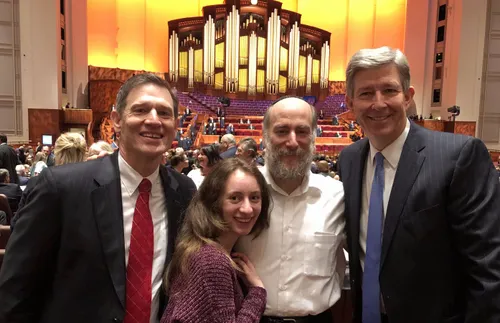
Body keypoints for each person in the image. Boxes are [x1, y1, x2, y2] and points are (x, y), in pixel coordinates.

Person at [0, 73, 197, 322]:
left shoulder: (184, 191)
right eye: (141, 110)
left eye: (165, 113)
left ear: (175, 124)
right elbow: (16, 290)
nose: (154, 120)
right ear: (116, 120)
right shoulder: (60, 188)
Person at [337, 46, 500, 323]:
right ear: (350, 103)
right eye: (366, 93)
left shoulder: (459, 156)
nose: (378, 103)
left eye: (389, 90)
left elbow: (488, 267)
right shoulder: (349, 159)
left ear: (408, 97)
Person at [236, 96, 345, 322]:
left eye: (302, 131)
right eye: (282, 131)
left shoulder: (338, 196)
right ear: (265, 138)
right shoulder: (237, 194)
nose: (292, 142)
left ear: (314, 137)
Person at [161, 158, 270, 322]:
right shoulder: (212, 261)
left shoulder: (204, 249)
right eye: (235, 198)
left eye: (254, 198)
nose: (247, 209)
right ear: (214, 202)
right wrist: (257, 292)